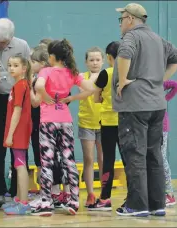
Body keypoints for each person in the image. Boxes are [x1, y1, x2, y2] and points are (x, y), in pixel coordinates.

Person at [113, 3, 177, 216]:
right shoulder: (158, 39)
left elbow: (125, 53)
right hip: (157, 105)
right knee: (154, 156)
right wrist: (159, 80)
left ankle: (137, 205)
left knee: (135, 153)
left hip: (136, 105)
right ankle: (157, 204)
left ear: (131, 19)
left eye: (122, 19)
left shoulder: (131, 37)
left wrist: (123, 79)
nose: (121, 23)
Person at [30, 39, 96, 216]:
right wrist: (71, 99)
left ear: (51, 56)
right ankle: (74, 200)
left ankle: (46, 201)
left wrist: (44, 96)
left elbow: (39, 85)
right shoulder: (72, 72)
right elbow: (90, 88)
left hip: (48, 121)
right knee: (69, 159)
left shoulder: (47, 70)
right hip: (65, 120)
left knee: (47, 161)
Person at [0, 18, 31, 207]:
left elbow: (30, 72)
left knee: (18, 148)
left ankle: (18, 192)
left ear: (11, 39)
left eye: (5, 43)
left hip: (19, 99)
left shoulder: (22, 45)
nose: (0, 45)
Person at [88, 41, 127, 211]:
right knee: (129, 161)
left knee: (108, 160)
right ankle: (133, 196)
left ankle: (105, 199)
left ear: (109, 57)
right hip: (126, 123)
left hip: (108, 124)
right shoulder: (128, 72)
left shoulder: (105, 73)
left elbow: (96, 99)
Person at [2, 55, 32, 215]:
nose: (11, 68)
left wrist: (10, 134)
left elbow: (18, 110)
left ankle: (24, 203)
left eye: (15, 65)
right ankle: (20, 200)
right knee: (18, 165)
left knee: (20, 167)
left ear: (24, 69)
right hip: (17, 131)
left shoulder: (21, 86)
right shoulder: (19, 85)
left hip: (19, 131)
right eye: (10, 65)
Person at [77, 47, 104, 207]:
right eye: (91, 60)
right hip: (87, 122)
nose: (94, 62)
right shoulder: (81, 76)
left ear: (103, 61)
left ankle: (103, 193)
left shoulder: (107, 75)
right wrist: (95, 79)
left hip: (104, 123)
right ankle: (90, 194)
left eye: (97, 59)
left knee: (102, 159)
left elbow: (101, 96)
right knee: (89, 159)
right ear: (86, 62)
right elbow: (86, 92)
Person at [162, 79, 177, 206]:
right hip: (147, 126)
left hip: (161, 126)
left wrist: (166, 98)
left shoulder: (160, 82)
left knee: (161, 158)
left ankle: (169, 194)